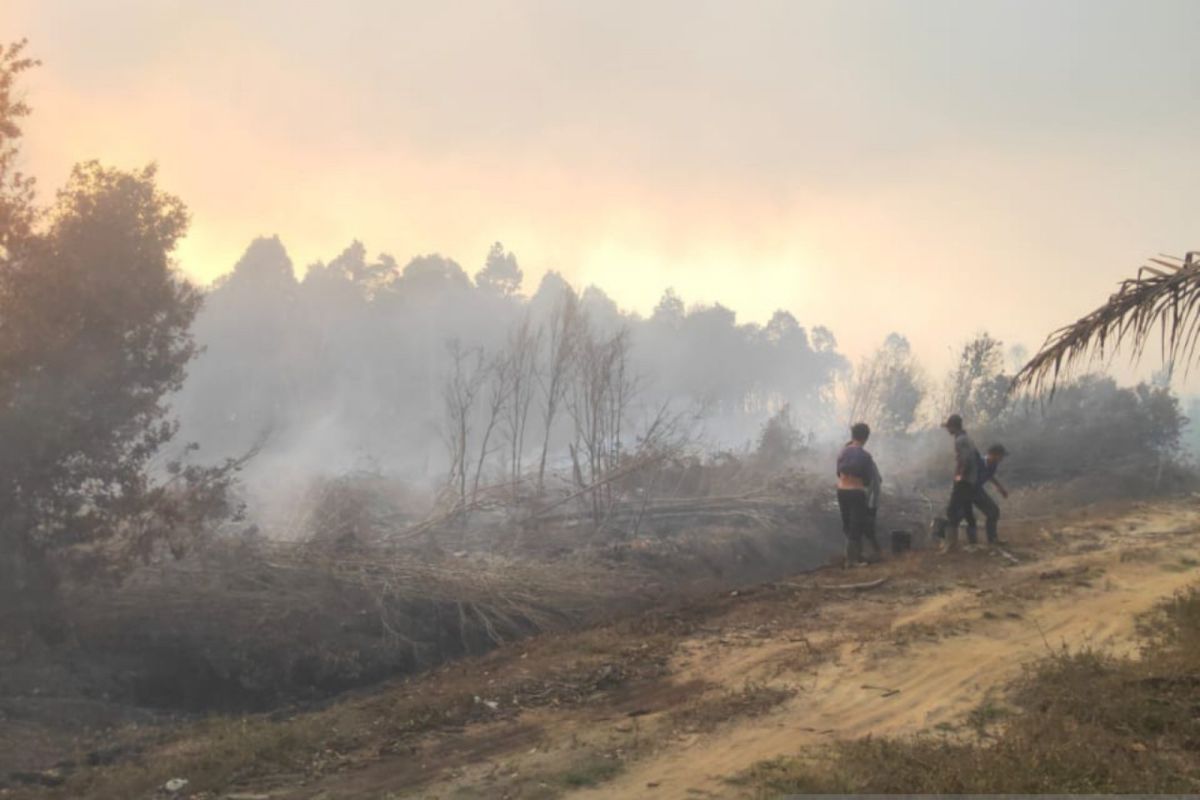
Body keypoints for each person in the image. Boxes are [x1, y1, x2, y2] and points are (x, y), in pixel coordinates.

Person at [836, 422, 883, 567]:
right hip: (856, 492)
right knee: (856, 526)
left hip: (842, 491)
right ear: (866, 438)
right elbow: (870, 480)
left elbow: (838, 473)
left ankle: (853, 555)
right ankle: (851, 561)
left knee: (848, 524)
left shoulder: (843, 452)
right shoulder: (865, 456)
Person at [941, 414, 978, 552]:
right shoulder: (966, 438)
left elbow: (965, 460)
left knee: (952, 510)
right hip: (971, 480)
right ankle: (973, 542)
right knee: (967, 510)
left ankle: (951, 545)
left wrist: (959, 476)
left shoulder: (960, 440)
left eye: (948, 427)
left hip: (964, 480)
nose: (947, 430)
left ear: (953, 426)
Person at [966, 444, 1010, 546]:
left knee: (993, 511)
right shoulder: (978, 462)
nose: (1002, 459)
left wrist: (1000, 487)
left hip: (976, 490)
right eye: (1001, 456)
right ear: (993, 454)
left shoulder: (993, 464)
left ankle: (992, 540)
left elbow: (990, 476)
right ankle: (972, 544)